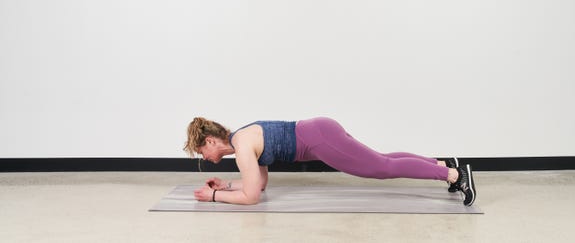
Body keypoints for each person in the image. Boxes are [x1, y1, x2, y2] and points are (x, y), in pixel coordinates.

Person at [183, 116, 476, 206]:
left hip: (319, 138)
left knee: (381, 168)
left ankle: (455, 176)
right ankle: (440, 165)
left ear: (210, 141)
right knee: (382, 160)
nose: (205, 159)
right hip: (319, 132)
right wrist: (228, 183)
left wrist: (214, 196)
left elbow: (251, 198)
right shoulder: (243, 139)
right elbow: (258, 183)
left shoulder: (242, 145)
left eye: (201, 152)